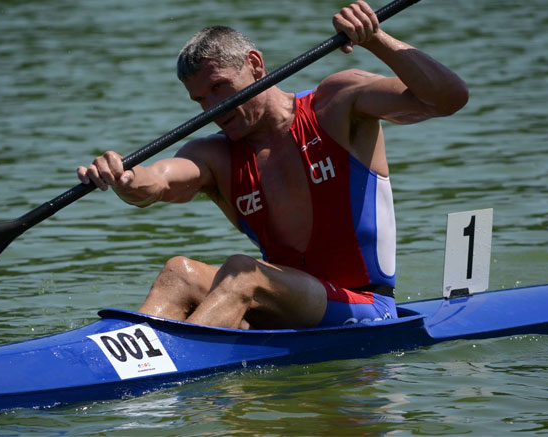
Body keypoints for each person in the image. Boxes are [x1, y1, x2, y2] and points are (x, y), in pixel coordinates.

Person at [77, 1, 468, 330]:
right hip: (284, 303)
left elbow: (449, 99)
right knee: (179, 272)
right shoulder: (216, 156)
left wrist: (376, 40)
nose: (213, 109)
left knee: (243, 272)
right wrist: (124, 177)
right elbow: (155, 183)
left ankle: (176, 371)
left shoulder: (336, 103)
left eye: (220, 87)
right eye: (200, 100)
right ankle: (131, 367)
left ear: (255, 64)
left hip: (364, 307)